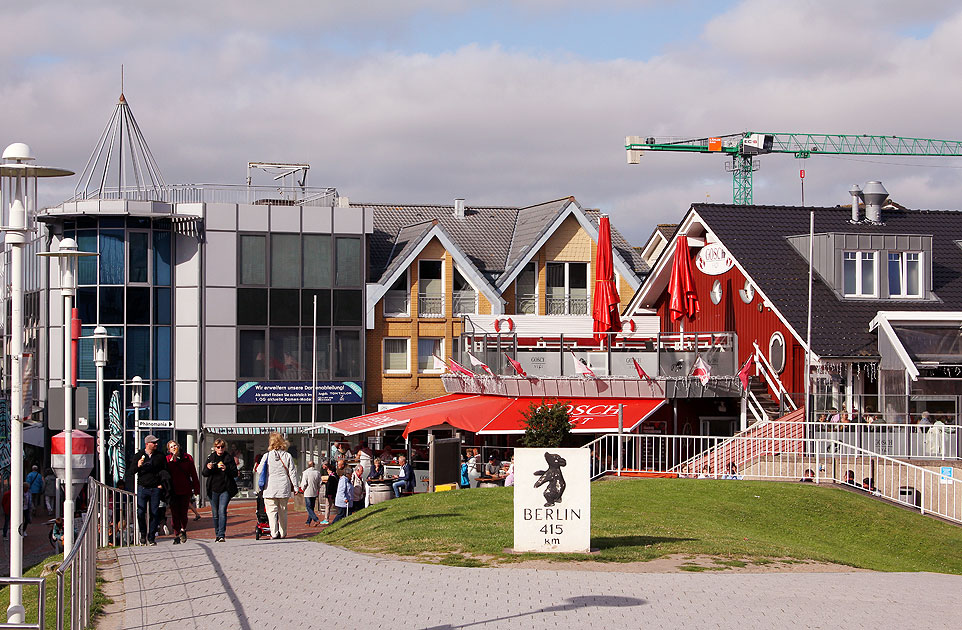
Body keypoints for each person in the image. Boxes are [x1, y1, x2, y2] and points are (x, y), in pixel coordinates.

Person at [257, 432, 299, 539]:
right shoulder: (287, 456)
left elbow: (259, 470)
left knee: (271, 512)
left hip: (269, 487)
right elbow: (292, 472)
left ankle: (274, 533)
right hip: (283, 487)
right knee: (283, 511)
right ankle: (283, 532)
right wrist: (296, 486)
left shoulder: (266, 456)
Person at [202, 438, 238, 542]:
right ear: (215, 448)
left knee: (222, 511)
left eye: (222, 447)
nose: (220, 449)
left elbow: (235, 472)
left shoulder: (228, 458)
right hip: (213, 489)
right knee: (215, 513)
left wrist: (226, 469)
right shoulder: (211, 458)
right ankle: (217, 533)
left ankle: (222, 534)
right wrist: (208, 468)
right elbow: (204, 473)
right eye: (218, 447)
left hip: (225, 489)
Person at [165, 441, 200, 545]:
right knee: (175, 513)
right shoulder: (167, 459)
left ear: (179, 446)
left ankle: (183, 529)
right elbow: (166, 473)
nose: (174, 448)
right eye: (171, 447)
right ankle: (176, 534)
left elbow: (193, 473)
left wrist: (196, 488)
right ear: (169, 450)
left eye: (175, 445)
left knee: (183, 512)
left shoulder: (187, 458)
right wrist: (172, 460)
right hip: (173, 490)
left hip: (185, 489)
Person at [134, 434, 166, 545]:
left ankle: (151, 537)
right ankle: (143, 533)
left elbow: (165, 471)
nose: (156, 444)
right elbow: (131, 471)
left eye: (156, 442)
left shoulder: (160, 456)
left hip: (155, 488)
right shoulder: (139, 455)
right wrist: (138, 465)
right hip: (143, 487)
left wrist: (161, 484)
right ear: (147, 444)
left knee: (154, 512)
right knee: (140, 511)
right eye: (154, 442)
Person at [300, 461, 322, 526]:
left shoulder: (306, 472)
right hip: (314, 491)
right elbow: (320, 483)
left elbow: (304, 483)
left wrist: (302, 489)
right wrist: (317, 488)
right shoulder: (317, 473)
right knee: (311, 507)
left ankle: (316, 519)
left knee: (308, 507)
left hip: (307, 492)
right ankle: (308, 522)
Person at [322, 461, 339, 525]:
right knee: (336, 505)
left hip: (330, 494)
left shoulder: (331, 477)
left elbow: (329, 487)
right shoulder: (336, 476)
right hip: (335, 494)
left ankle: (326, 519)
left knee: (328, 506)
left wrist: (329, 495)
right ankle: (340, 515)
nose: (327, 471)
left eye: (328, 470)